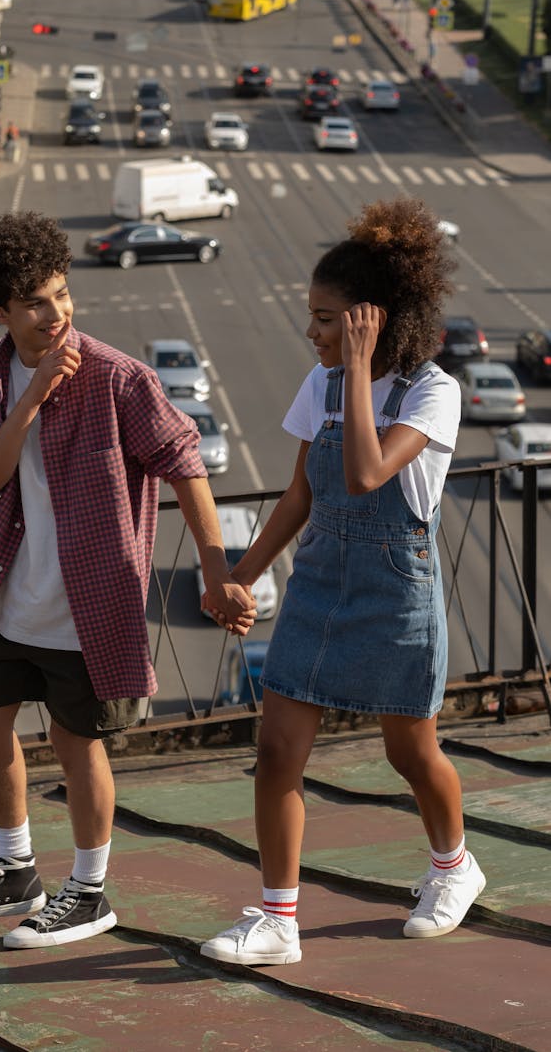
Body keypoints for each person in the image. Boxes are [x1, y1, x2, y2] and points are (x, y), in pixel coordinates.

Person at [0, 212, 255, 950]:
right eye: (36, 302)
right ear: (1, 312)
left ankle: (90, 892)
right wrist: (31, 398)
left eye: (62, 294)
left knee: (77, 742)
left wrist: (214, 568)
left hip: (89, 600)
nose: (57, 313)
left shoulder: (117, 376)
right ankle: (16, 872)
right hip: (8, 595)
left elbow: (185, 462)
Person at [200, 198, 485, 968]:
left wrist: (357, 367)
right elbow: (302, 495)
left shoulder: (433, 391)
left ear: (371, 319)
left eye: (328, 319)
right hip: (320, 581)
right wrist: (241, 573)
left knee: (410, 753)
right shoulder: (320, 382)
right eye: (313, 319)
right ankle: (277, 919)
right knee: (277, 750)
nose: (313, 334)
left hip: (396, 590)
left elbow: (362, 474)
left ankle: (454, 867)